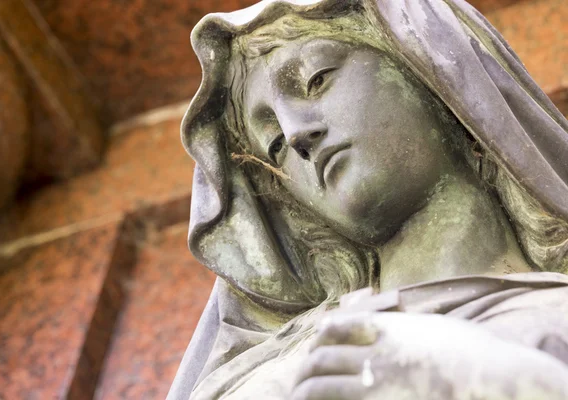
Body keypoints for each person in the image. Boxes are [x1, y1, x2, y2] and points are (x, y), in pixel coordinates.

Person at [168, 0, 568, 398]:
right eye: (274, 147)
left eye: (316, 81)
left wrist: (491, 381)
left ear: (430, 72)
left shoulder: (555, 317)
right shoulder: (257, 380)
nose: (294, 134)